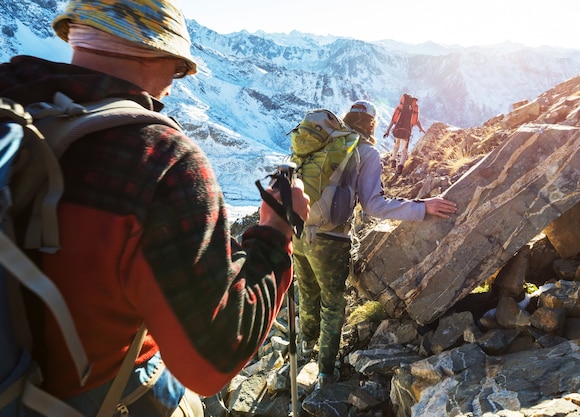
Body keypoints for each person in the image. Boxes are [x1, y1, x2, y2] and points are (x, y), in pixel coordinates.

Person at [0, 0, 309, 415]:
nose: (172, 85)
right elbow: (214, 356)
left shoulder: (16, 111)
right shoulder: (159, 161)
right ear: (158, 54)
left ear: (75, 34)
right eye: (179, 68)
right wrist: (275, 232)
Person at [293, 100, 456, 389]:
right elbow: (374, 205)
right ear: (371, 124)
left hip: (298, 230)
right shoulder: (366, 152)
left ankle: (305, 348)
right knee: (333, 306)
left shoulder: (322, 143)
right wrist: (422, 207)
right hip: (331, 240)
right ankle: (325, 375)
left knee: (307, 292)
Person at [383, 93, 426, 175]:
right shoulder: (413, 109)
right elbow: (416, 120)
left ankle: (393, 161)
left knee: (396, 146)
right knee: (404, 151)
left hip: (397, 130)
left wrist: (387, 130)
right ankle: (400, 168)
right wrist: (421, 128)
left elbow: (393, 120)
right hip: (406, 132)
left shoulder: (400, 107)